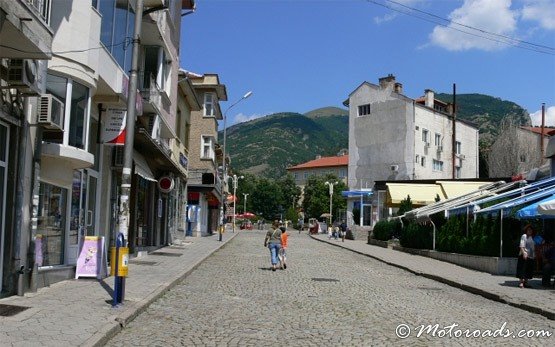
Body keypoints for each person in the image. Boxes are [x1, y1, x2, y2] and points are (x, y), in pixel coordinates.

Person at [516, 224, 535, 288]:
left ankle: (526, 283)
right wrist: (524, 253)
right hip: (524, 255)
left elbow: (532, 247)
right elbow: (521, 245)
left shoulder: (531, 237)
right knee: (522, 269)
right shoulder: (524, 236)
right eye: (529, 230)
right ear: (526, 230)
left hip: (530, 256)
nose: (530, 231)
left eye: (531, 230)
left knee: (528, 270)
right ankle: (521, 283)